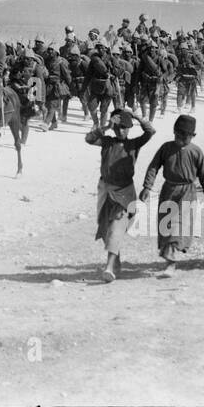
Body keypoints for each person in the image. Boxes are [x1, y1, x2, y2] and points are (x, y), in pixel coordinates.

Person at [85, 107, 156, 283]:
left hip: (124, 192)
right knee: (104, 228)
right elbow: (89, 138)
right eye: (119, 127)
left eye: (125, 128)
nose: (122, 131)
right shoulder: (107, 142)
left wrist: (137, 116)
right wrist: (107, 126)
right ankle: (116, 260)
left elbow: (150, 131)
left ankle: (109, 267)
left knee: (116, 227)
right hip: (105, 190)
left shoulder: (133, 144)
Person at [141, 113, 204, 277]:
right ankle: (169, 258)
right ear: (173, 132)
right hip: (168, 191)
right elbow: (154, 166)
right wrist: (147, 186)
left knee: (179, 224)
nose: (180, 138)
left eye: (185, 135)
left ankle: (171, 262)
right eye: (177, 134)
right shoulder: (166, 148)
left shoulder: (196, 152)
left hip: (187, 192)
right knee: (166, 224)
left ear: (193, 136)